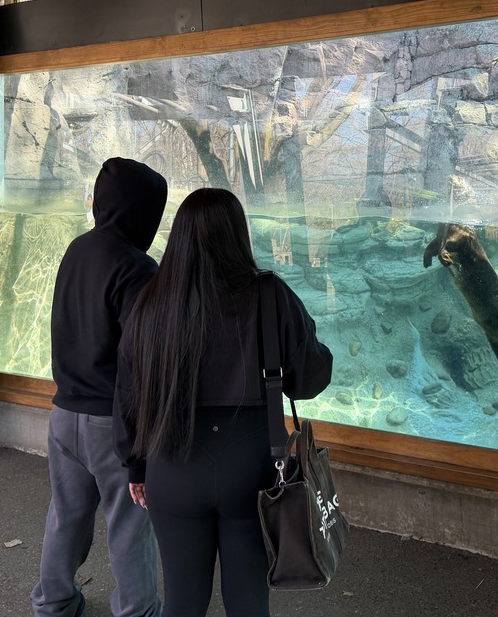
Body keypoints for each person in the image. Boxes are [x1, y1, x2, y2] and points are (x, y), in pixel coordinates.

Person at [114, 187, 333, 617]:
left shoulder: (150, 303)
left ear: (179, 237)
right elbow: (308, 381)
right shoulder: (271, 294)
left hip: (171, 464)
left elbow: (127, 396)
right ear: (239, 235)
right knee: (250, 604)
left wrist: (136, 466)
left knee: (181, 602)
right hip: (252, 467)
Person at [31, 157, 167, 617]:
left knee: (66, 515)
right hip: (110, 422)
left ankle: (53, 603)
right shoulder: (137, 267)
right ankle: (138, 611)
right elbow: (138, 364)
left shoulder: (77, 249)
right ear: (142, 209)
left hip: (63, 414)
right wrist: (140, 453)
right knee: (130, 522)